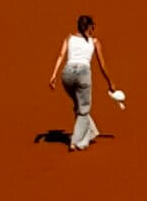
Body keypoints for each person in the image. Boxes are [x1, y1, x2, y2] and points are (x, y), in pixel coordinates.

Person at [49, 14, 116, 151]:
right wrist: (110, 83)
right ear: (90, 27)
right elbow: (102, 65)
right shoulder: (95, 42)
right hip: (83, 74)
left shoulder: (69, 37)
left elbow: (61, 55)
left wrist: (54, 75)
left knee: (79, 105)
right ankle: (76, 142)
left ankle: (91, 132)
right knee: (83, 111)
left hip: (67, 75)